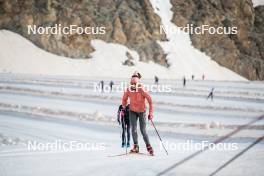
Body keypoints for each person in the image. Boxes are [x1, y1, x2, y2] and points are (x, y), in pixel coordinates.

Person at [122, 72, 154, 155]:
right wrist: (124, 107)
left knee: (143, 130)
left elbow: (150, 101)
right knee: (133, 129)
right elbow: (124, 99)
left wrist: (150, 113)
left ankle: (149, 146)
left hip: (142, 111)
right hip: (132, 111)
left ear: (137, 83)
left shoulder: (142, 90)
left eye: (134, 84)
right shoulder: (128, 90)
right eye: (131, 83)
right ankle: (136, 147)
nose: (133, 85)